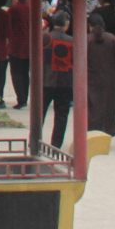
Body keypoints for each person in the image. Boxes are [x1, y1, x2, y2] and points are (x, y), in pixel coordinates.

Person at [40, 10, 76, 149]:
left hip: (45, 81)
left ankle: (34, 140)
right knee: (61, 115)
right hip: (65, 82)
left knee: (40, 112)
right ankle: (56, 145)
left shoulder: (44, 39)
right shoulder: (72, 41)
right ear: (67, 25)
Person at [86, 9, 115, 139]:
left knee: (92, 107)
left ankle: (92, 133)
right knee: (108, 107)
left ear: (89, 25)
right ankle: (107, 132)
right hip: (109, 78)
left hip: (90, 78)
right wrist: (113, 73)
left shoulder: (87, 40)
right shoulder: (112, 39)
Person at [5, 0, 31, 109]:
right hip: (30, 44)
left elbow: (8, 25)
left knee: (16, 73)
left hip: (16, 44)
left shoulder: (14, 10)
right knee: (25, 73)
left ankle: (21, 98)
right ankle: (25, 97)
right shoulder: (31, 7)